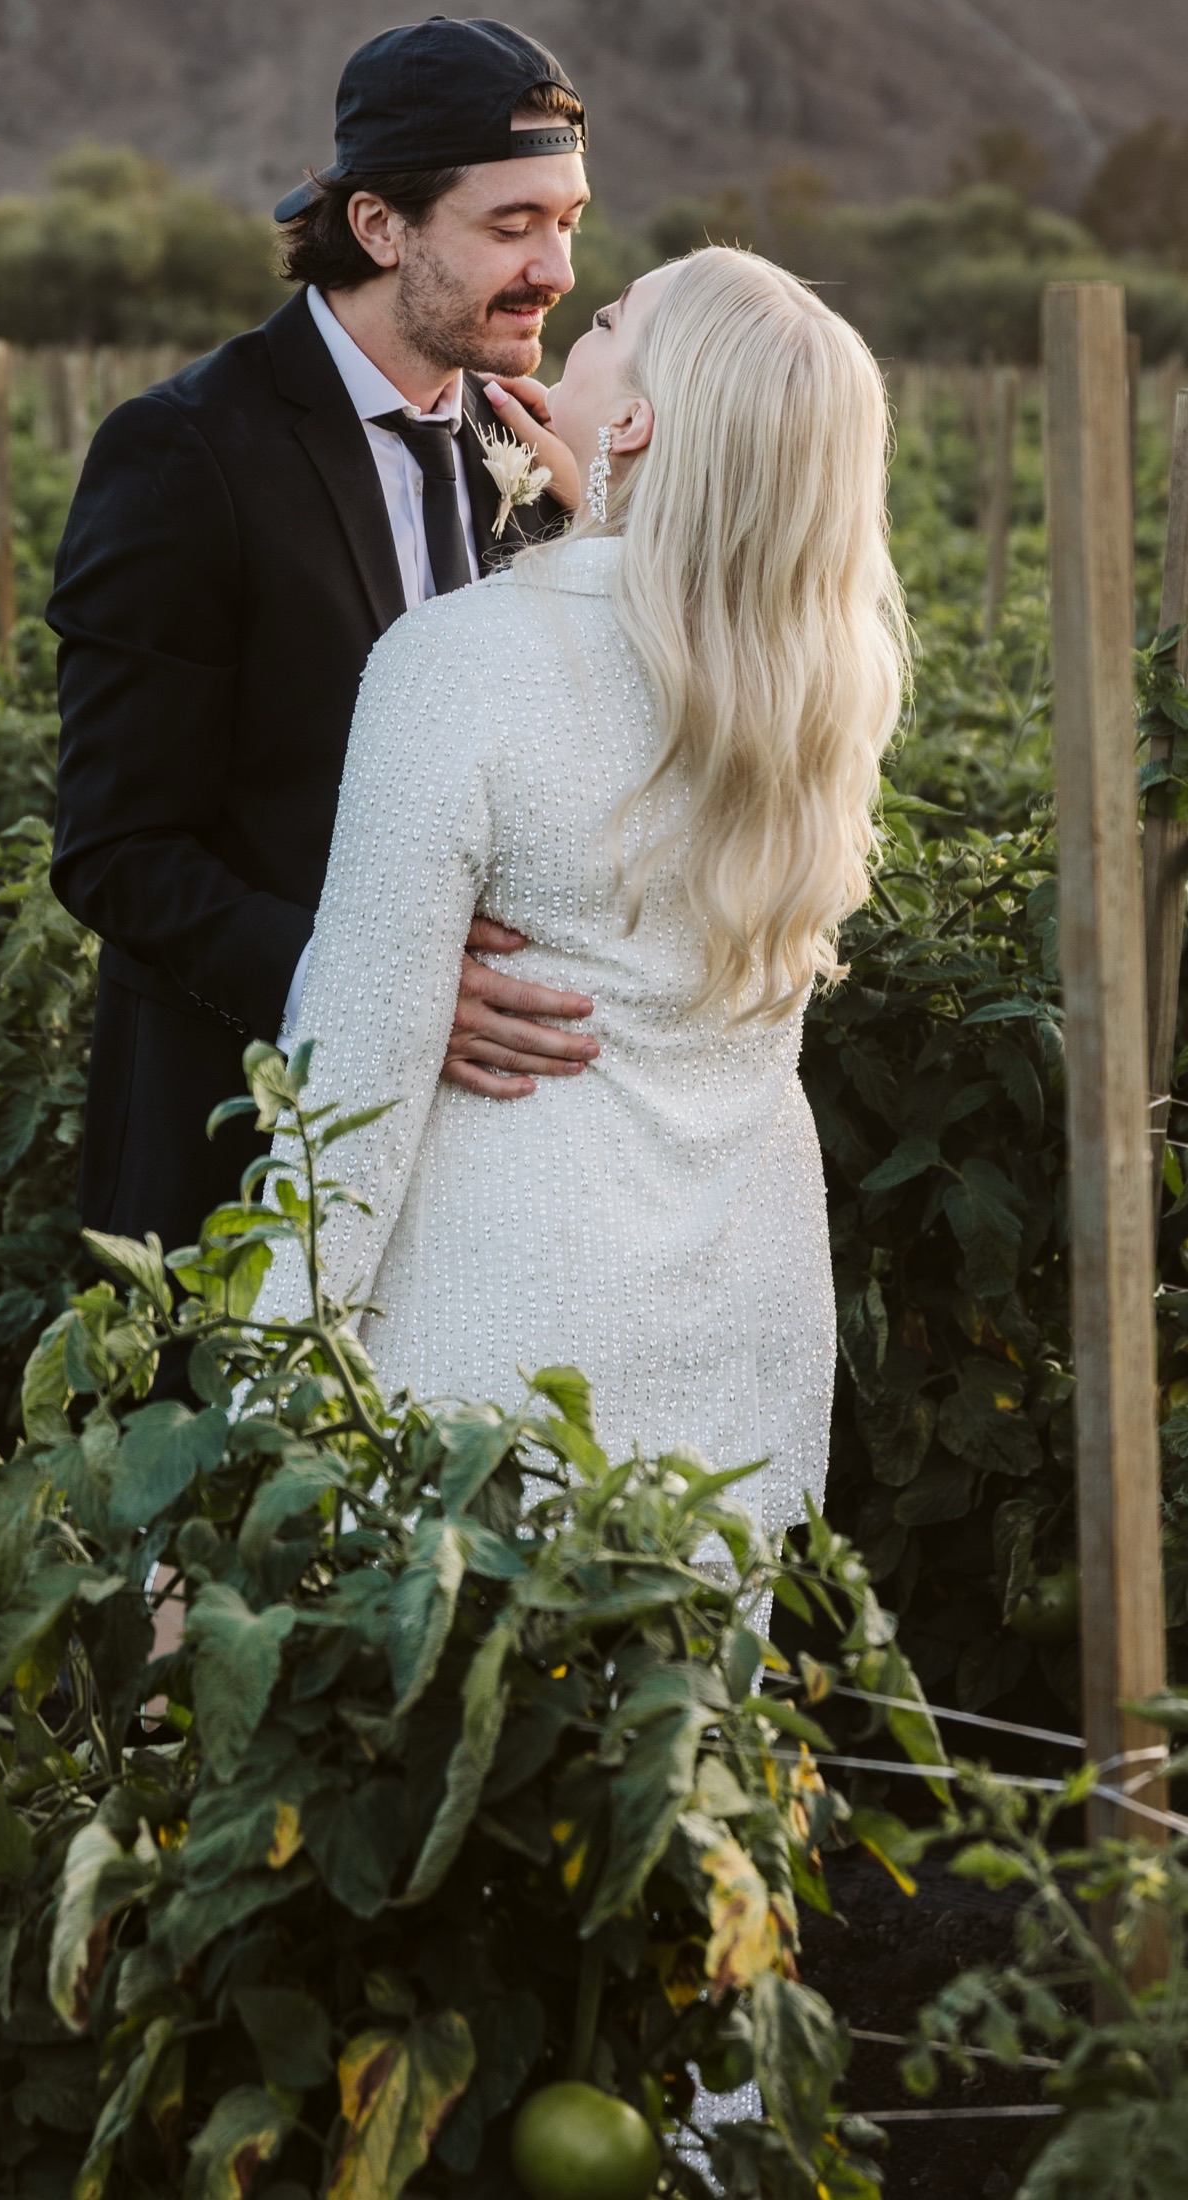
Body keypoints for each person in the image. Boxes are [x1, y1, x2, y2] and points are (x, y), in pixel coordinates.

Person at [270, 247, 908, 1525]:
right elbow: (648, 621)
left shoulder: (454, 663)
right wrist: (612, 507)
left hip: (492, 1329)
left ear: (631, 419)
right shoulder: (812, 687)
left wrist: (254, 1416)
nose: (575, 313)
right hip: (738, 1333)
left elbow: (350, 1084)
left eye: (609, 321)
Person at [47, 16, 605, 1247]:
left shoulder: (531, 450)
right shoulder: (185, 451)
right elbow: (117, 848)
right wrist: (378, 994)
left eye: (567, 221)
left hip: (479, 1175)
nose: (556, 268)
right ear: (377, 226)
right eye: (509, 227)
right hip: (239, 1147)